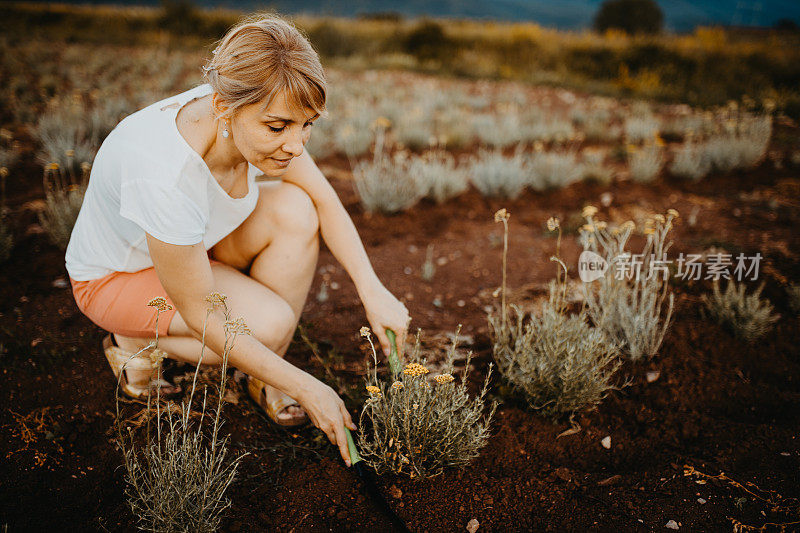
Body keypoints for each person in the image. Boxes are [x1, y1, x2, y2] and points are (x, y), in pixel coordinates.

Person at [64, 14, 410, 466]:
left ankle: (266, 378)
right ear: (224, 106)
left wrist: (373, 290)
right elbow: (202, 313)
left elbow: (326, 203)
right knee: (266, 325)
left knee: (297, 208)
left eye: (308, 125)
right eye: (279, 127)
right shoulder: (164, 174)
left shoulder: (256, 112)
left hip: (194, 248)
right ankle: (129, 341)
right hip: (116, 277)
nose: (296, 144)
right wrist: (309, 386)